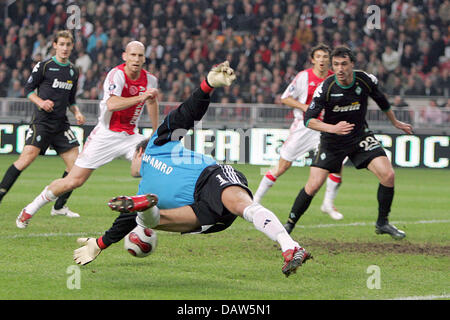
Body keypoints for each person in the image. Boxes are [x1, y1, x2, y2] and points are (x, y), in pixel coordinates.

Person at [73, 62, 312, 277]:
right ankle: (146, 210)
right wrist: (99, 243)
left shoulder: (157, 143)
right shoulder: (143, 187)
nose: (131, 165)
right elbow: (123, 221)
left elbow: (186, 114)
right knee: (143, 217)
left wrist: (207, 85)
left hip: (211, 178)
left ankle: (290, 247)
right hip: (202, 214)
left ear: (139, 152)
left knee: (241, 206)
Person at [16, 41, 159, 228]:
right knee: (74, 181)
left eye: (140, 56)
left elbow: (151, 103)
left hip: (131, 136)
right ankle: (29, 209)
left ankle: (156, 214)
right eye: (133, 55)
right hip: (105, 135)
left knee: (154, 164)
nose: (136, 59)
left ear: (144, 59)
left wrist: (156, 133)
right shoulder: (116, 75)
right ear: (125, 56)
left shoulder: (150, 80)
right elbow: (112, 104)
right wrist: (142, 96)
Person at [283, 46, 413, 238]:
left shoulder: (365, 80)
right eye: (336, 64)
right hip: (332, 140)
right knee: (314, 185)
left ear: (352, 64)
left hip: (359, 135)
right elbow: (309, 120)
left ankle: (382, 223)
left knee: (388, 175)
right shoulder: (326, 88)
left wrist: (395, 122)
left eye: (344, 64)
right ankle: (289, 225)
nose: (340, 69)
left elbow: (382, 101)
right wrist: (332, 128)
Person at [253, 44, 345, 220]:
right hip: (304, 127)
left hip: (325, 128)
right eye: (318, 56)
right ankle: (255, 199)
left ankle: (328, 203)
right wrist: (305, 107)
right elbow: (285, 98)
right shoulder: (303, 77)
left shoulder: (335, 79)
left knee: (336, 165)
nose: (322, 60)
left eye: (325, 57)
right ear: (313, 59)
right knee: (283, 166)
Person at [0, 30, 86, 218]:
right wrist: (41, 102)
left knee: (77, 166)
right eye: (61, 44)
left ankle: (59, 207)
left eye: (68, 45)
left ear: (72, 47)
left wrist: (77, 112)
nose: (64, 48)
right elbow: (29, 89)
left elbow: (71, 100)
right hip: (43, 122)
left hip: (61, 124)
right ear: (55, 45)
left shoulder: (73, 70)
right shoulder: (44, 66)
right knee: (25, 160)